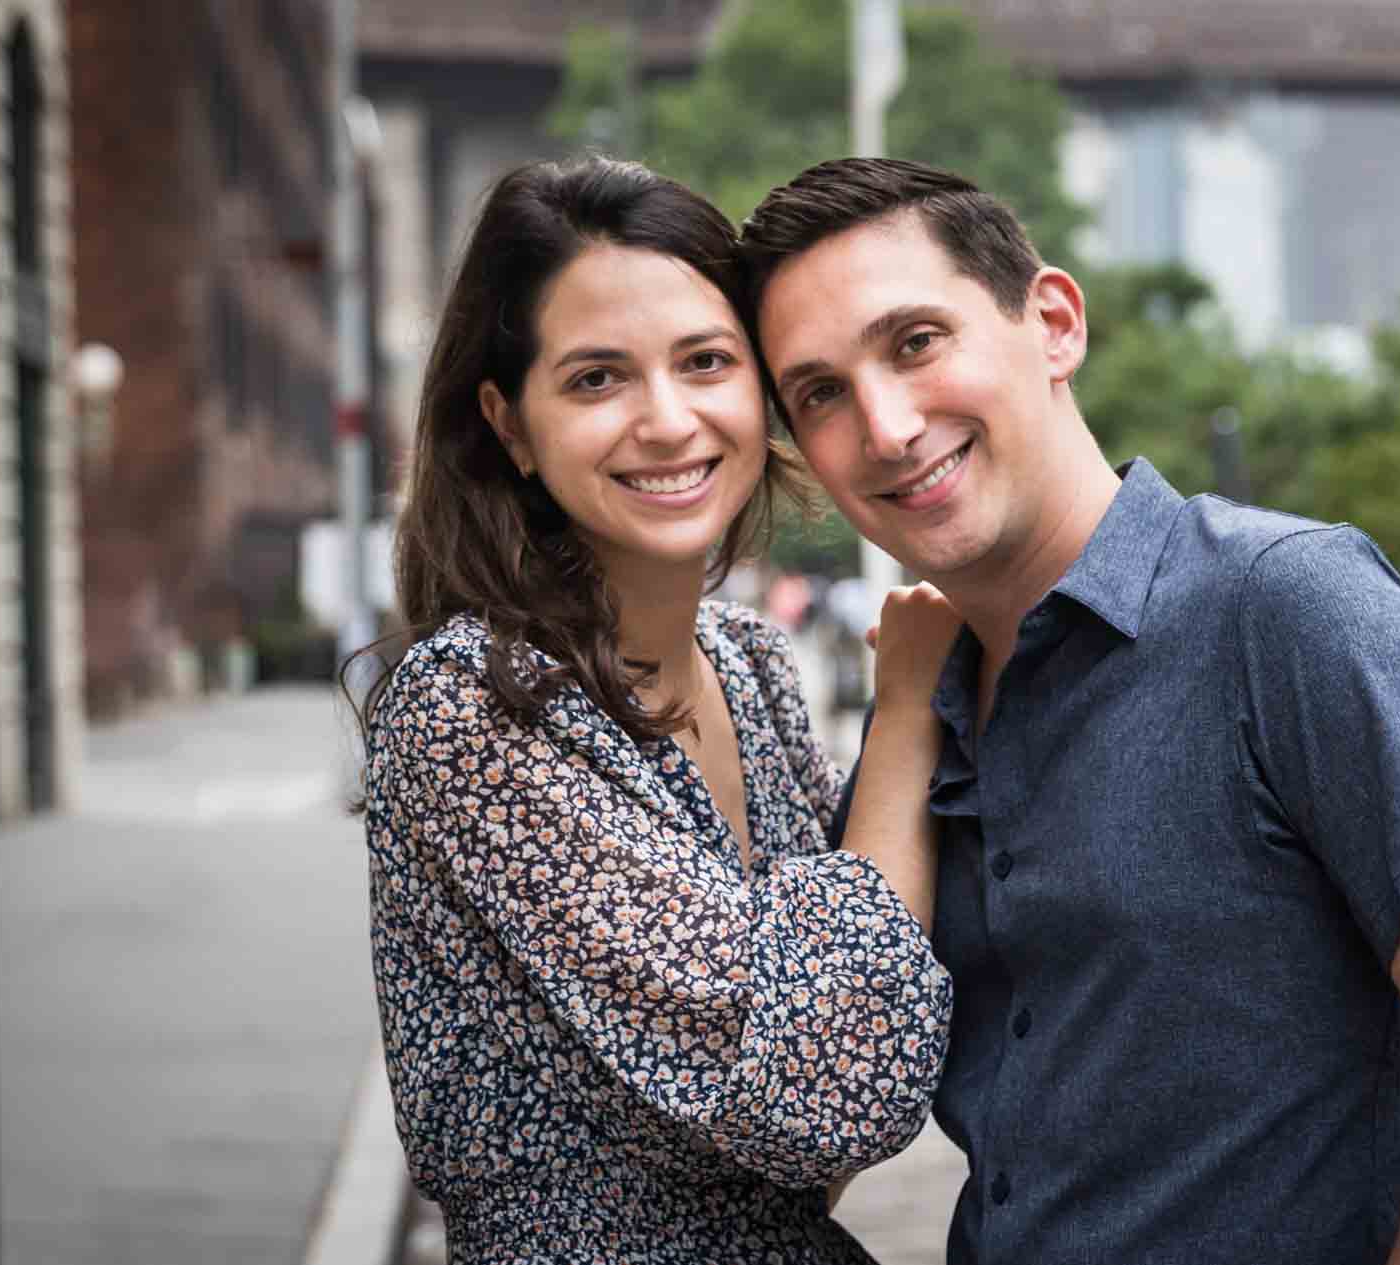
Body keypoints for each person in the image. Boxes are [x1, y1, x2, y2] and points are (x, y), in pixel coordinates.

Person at [738, 157, 1400, 1265]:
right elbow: (821, 1127)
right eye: (819, 391)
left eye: (916, 341)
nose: (882, 424)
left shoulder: (1292, 607)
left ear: (1053, 323)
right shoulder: (923, 710)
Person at [354, 157, 960, 1263]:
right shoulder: (481, 705)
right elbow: (829, 1087)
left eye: (705, 361)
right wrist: (907, 714)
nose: (667, 419)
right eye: (595, 379)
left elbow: (836, 1073)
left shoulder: (750, 665)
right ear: (511, 425)